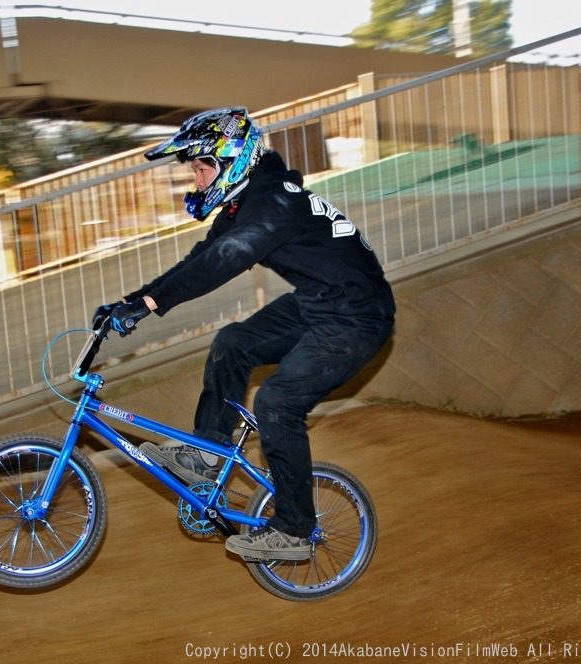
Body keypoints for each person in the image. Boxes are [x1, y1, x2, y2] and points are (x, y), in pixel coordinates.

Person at [93, 107, 395, 561]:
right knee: (233, 342)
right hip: (320, 303)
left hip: (357, 317)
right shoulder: (245, 201)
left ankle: (294, 530)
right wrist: (132, 301)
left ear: (230, 158)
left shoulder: (274, 202)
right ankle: (209, 453)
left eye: (201, 167)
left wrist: (151, 305)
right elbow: (201, 257)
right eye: (193, 170)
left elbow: (227, 258)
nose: (196, 180)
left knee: (277, 402)